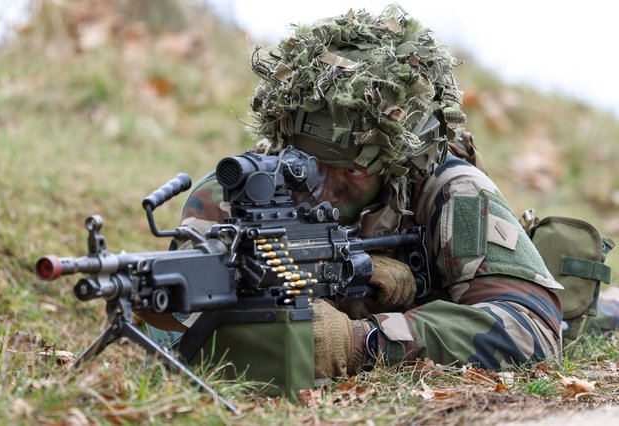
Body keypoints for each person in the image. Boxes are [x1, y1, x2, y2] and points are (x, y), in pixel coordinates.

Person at [148, 5, 564, 378]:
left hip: (498, 297)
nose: (325, 187)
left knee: (595, 315)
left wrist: (366, 341)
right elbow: (181, 320)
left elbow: (533, 326)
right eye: (306, 166)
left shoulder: (450, 191)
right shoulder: (239, 192)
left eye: (352, 172)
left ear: (398, 166)